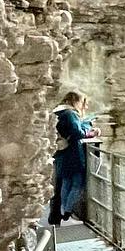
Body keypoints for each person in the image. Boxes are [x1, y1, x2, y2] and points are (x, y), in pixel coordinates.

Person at [47, 89, 95, 226]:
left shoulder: (58, 111)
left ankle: (61, 212)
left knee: (65, 182)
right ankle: (67, 213)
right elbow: (76, 132)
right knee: (77, 183)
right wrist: (88, 130)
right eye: (81, 102)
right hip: (73, 153)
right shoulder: (70, 113)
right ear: (75, 101)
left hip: (61, 153)